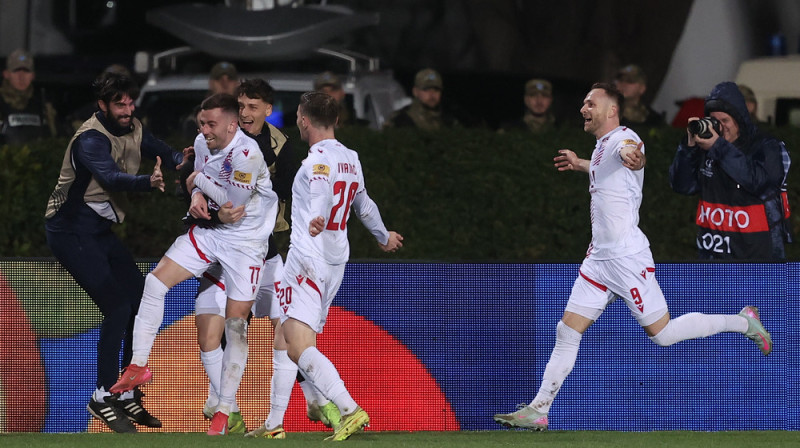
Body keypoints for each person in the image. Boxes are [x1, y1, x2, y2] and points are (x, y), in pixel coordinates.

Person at [493, 82, 773, 431]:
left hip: (627, 259)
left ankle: (743, 322)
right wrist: (580, 163)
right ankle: (539, 409)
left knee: (664, 334)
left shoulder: (624, 138)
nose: (583, 108)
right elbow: (605, 171)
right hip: (598, 260)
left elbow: (631, 153)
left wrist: (635, 157)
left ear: (611, 110)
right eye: (584, 103)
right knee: (567, 330)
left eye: (590, 103)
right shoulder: (601, 147)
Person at [109, 93, 278, 437]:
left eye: (211, 124)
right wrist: (197, 193)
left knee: (235, 326)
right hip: (212, 233)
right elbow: (203, 191)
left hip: (246, 245)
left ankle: (225, 409)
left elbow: (232, 203)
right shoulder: (202, 142)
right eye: (202, 123)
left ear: (232, 125)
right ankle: (139, 365)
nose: (204, 130)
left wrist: (196, 180)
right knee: (154, 283)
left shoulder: (247, 154)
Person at [247, 91, 403, 441]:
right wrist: (383, 235)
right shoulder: (350, 157)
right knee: (284, 335)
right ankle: (273, 424)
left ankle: (348, 409)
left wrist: (317, 216)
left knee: (299, 344)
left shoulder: (315, 161)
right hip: (335, 259)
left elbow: (319, 189)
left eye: (298, 118)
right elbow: (364, 204)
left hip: (307, 258)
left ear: (303, 120)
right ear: (336, 120)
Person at [44, 71, 185, 433]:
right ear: (102, 105)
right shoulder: (90, 139)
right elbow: (109, 177)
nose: (127, 109)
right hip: (70, 231)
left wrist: (181, 160)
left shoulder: (133, 126)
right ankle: (103, 394)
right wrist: (147, 182)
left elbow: (160, 148)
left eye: (130, 102)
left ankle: (124, 392)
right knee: (118, 307)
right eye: (119, 104)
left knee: (140, 302)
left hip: (97, 231)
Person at [669, 81, 790, 260]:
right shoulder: (707, 147)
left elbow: (759, 183)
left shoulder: (766, 146)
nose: (720, 127)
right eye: (715, 121)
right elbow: (682, 186)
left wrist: (719, 147)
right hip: (713, 255)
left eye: (725, 121)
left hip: (755, 258)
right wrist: (688, 148)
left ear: (739, 119)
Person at [0, 48, 58, 145]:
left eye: (26, 71)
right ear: (6, 74)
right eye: (16, 71)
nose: (21, 76)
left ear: (33, 75)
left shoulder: (43, 105)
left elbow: (55, 138)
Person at [385, 68, 459, 130]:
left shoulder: (449, 121)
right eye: (426, 90)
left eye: (436, 90)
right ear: (415, 92)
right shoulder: (400, 121)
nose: (432, 94)